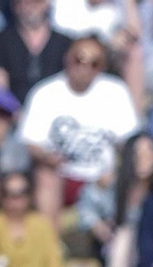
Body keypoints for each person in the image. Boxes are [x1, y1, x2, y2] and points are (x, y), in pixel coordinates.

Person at [18, 34, 139, 223]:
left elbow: (130, 143)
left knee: (133, 174)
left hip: (102, 178)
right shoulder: (45, 93)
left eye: (94, 63)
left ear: (103, 67)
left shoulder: (116, 92)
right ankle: (50, 246)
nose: (85, 67)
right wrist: (46, 157)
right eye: (79, 60)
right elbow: (31, 142)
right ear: (67, 59)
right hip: (62, 177)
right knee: (46, 177)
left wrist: (117, 171)